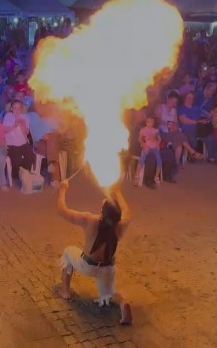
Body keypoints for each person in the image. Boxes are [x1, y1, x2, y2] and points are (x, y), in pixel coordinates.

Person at [56, 181, 133, 325]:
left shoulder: (90, 220)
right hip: (108, 269)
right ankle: (123, 302)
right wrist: (117, 191)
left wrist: (62, 189)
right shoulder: (121, 225)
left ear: (103, 211)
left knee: (68, 251)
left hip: (88, 266)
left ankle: (65, 292)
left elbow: (62, 210)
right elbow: (127, 212)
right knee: (109, 294)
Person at [3, 99, 34, 179]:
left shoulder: (24, 117)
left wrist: (23, 125)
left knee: (30, 156)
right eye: (15, 108)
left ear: (21, 109)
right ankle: (16, 174)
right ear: (11, 109)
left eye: (19, 108)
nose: (17, 110)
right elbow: (4, 130)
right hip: (11, 143)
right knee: (17, 158)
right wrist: (15, 125)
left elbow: (27, 133)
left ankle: (25, 173)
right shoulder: (8, 116)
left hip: (23, 142)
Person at [137, 116, 162, 183]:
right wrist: (143, 144)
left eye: (152, 122)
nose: (150, 123)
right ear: (146, 122)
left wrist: (158, 144)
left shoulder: (155, 130)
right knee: (142, 160)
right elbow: (139, 139)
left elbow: (159, 139)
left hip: (154, 146)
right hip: (147, 146)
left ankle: (156, 177)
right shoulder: (143, 130)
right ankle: (137, 176)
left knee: (159, 161)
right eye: (148, 122)